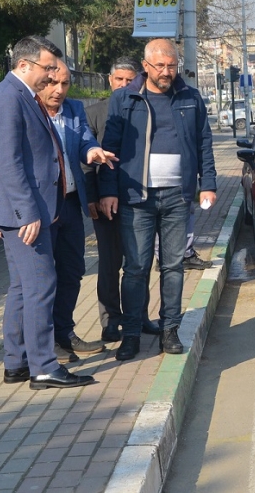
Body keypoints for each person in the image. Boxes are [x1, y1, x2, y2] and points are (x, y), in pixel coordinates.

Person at [0, 35, 108, 389]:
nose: (51, 75)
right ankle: (44, 366)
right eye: (47, 67)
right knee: (40, 285)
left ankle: (16, 362)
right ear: (25, 65)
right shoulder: (7, 98)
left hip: (30, 209)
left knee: (23, 287)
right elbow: (7, 162)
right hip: (24, 213)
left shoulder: (22, 96)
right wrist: (26, 212)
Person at [99, 39, 217, 361]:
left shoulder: (190, 98)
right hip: (136, 198)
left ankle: (170, 330)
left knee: (173, 266)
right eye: (160, 66)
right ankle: (132, 334)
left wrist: (207, 185)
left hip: (177, 198)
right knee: (136, 267)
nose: (166, 72)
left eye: (171, 65)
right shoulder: (125, 99)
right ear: (145, 65)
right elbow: (110, 148)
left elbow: (204, 143)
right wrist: (108, 191)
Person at [84, 56, 161, 342]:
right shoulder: (93, 113)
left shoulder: (144, 108)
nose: (125, 85)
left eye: (130, 81)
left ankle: (138, 317)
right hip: (104, 204)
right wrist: (93, 198)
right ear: (110, 80)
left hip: (136, 200)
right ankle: (110, 321)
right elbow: (85, 161)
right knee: (109, 264)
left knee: (138, 263)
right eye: (120, 80)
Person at [38, 60, 110, 361]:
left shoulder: (74, 109)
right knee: (41, 279)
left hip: (70, 202)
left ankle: (65, 333)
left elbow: (84, 140)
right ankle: (44, 342)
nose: (59, 90)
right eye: (53, 83)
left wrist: (92, 151)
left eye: (65, 84)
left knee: (72, 271)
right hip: (41, 208)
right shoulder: (29, 111)